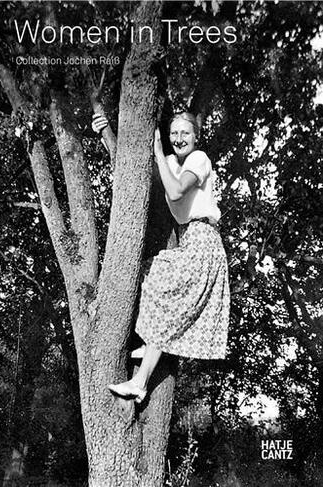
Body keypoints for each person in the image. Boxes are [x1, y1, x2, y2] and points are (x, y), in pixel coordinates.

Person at [92, 112, 230, 404]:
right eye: (174, 134)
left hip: (204, 242)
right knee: (145, 273)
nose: (179, 139)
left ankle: (140, 380)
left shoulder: (199, 160)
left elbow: (178, 191)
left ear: (196, 137)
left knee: (165, 298)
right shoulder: (170, 164)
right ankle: (151, 341)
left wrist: (157, 152)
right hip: (189, 240)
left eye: (185, 133)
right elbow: (133, 175)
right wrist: (105, 134)